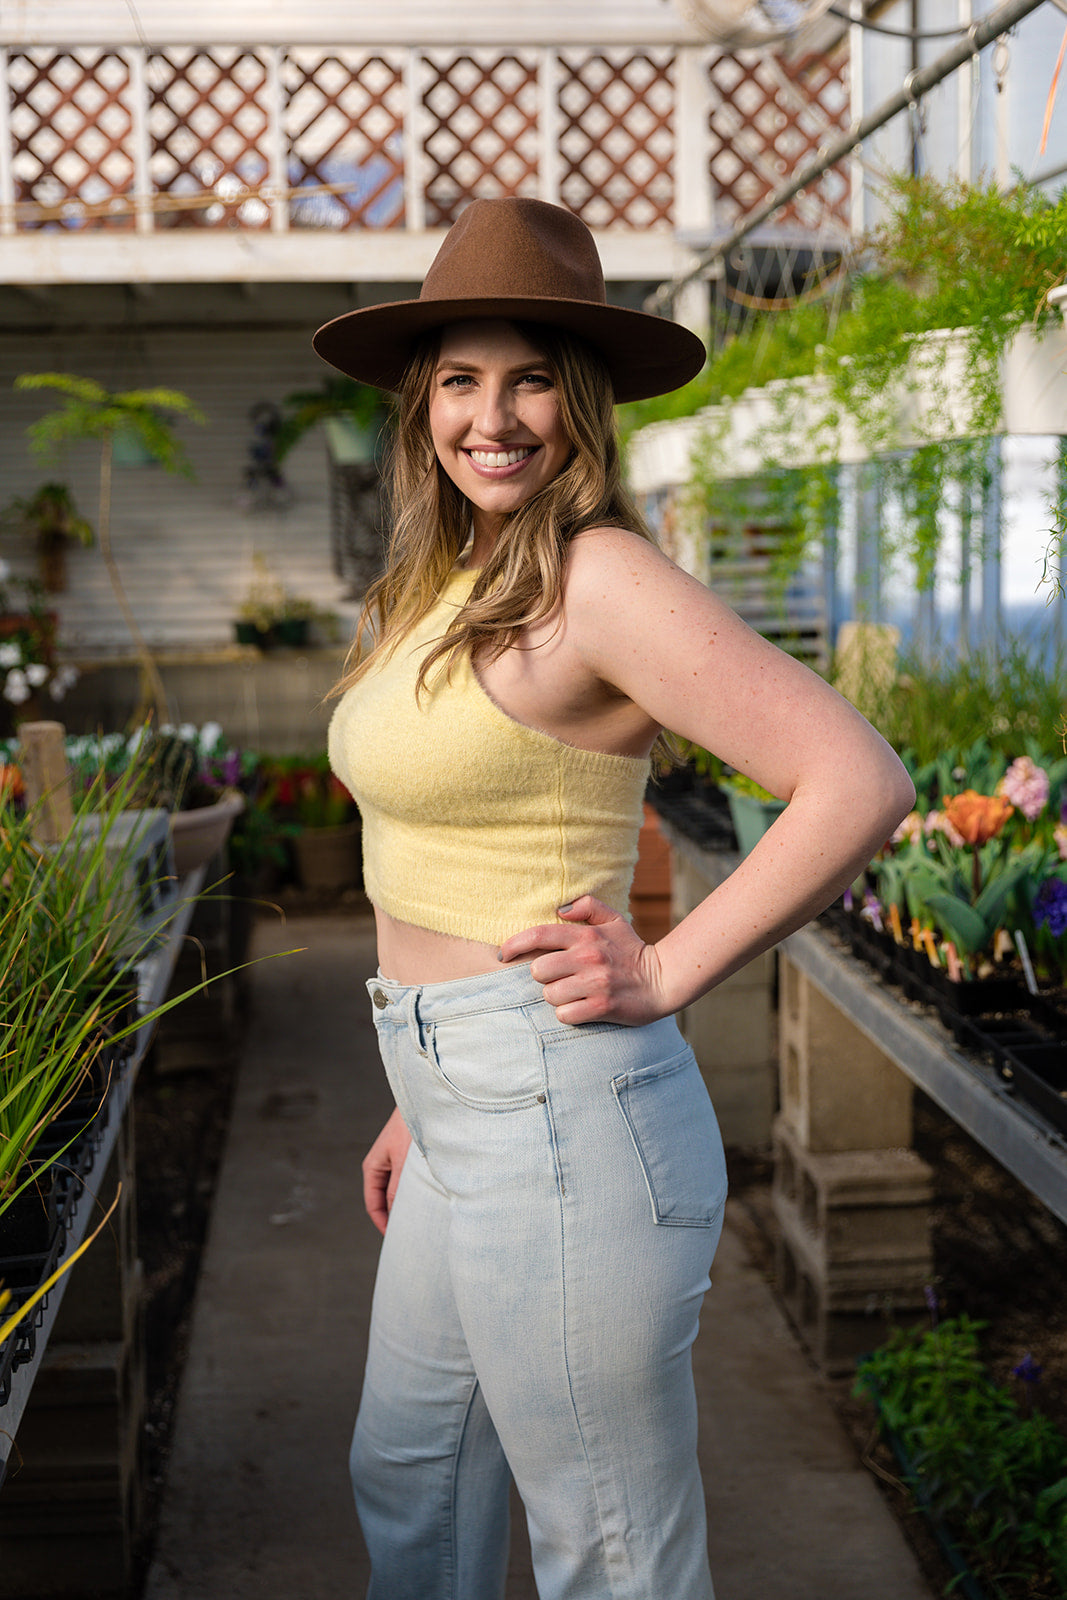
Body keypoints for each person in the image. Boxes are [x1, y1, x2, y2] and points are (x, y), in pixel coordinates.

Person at [314, 198, 915, 1600]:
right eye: (460, 378)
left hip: (562, 1115)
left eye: (530, 377)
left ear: (580, 400)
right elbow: (451, 850)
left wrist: (668, 966)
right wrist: (422, 1087)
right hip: (460, 1100)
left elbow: (856, 778)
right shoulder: (436, 582)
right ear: (423, 404)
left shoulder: (602, 579)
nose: (493, 414)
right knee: (408, 1481)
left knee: (612, 1555)